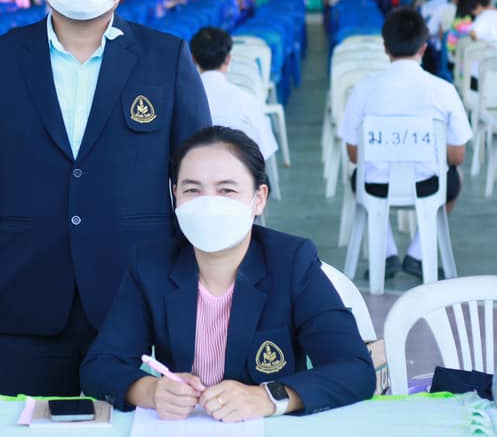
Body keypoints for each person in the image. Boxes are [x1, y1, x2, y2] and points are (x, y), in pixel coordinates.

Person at [0, 0, 211, 397]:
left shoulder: (165, 58)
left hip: (139, 298)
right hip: (26, 299)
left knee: (138, 431)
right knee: (26, 431)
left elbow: (198, 181)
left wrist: (200, 288)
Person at [81, 126, 375, 420]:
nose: (208, 204)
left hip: (270, 435)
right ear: (175, 196)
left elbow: (355, 369)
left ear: (259, 198)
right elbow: (100, 366)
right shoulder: (150, 266)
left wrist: (267, 397)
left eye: (227, 190)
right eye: (192, 190)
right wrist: (150, 390)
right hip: (182, 433)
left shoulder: (292, 263)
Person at [338, 8, 471, 279]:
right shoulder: (443, 90)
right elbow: (457, 157)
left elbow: (354, 154)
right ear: (423, 47)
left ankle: (386, 253)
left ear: (385, 47)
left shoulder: (363, 89)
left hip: (374, 186)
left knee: (359, 176)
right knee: (455, 179)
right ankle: (418, 254)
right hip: (429, 186)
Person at [190, 27, 278, 163]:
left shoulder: (179, 102)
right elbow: (265, 151)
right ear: (228, 59)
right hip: (238, 173)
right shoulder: (247, 101)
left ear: (193, 59)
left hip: (191, 173)